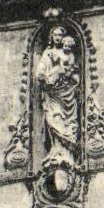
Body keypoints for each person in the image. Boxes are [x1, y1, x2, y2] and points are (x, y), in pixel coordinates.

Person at [35, 24, 80, 166]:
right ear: (51, 37)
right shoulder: (48, 54)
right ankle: (56, 150)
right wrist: (45, 77)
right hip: (52, 94)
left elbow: (73, 72)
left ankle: (67, 153)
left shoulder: (68, 53)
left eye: (60, 35)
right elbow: (40, 71)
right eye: (55, 35)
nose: (58, 38)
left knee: (67, 121)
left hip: (66, 93)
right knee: (54, 119)